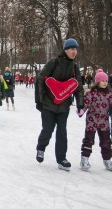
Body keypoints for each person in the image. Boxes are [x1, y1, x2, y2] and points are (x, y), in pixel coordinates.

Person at [35, 38, 84, 171]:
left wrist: (80, 105)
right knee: (48, 129)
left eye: (76, 49)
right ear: (66, 50)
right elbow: (40, 79)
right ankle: (41, 148)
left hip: (64, 106)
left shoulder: (74, 67)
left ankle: (61, 159)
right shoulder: (54, 62)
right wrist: (38, 100)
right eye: (72, 49)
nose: (74, 52)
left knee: (62, 132)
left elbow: (78, 87)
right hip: (48, 104)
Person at [78, 69, 112, 171]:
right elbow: (85, 103)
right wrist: (82, 110)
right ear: (97, 82)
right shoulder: (91, 93)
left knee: (106, 142)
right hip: (92, 120)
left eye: (106, 80)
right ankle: (84, 159)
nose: (105, 82)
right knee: (89, 140)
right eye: (102, 80)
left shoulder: (110, 92)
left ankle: (107, 160)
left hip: (104, 121)